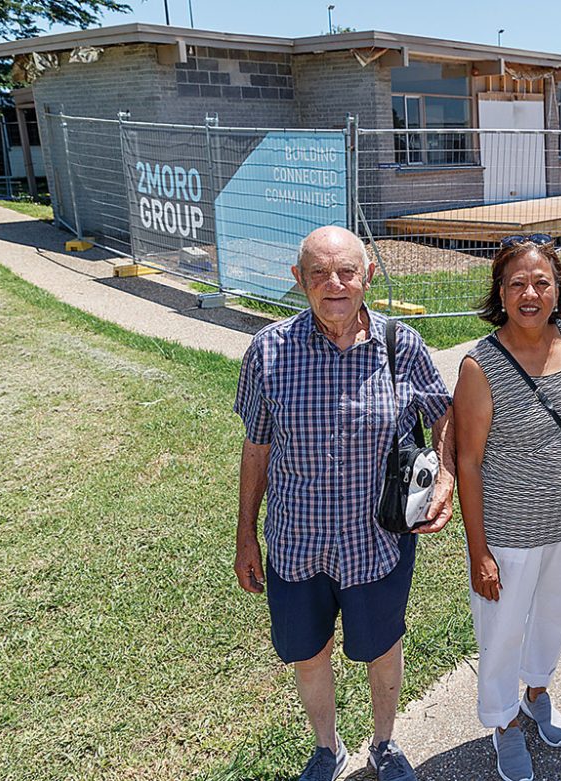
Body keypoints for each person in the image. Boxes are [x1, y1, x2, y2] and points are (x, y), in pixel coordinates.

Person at [232, 226, 456, 781]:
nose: (334, 283)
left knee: (382, 647)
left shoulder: (401, 346)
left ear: (368, 276)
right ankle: (327, 748)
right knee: (308, 654)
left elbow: (443, 413)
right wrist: (245, 534)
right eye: (318, 273)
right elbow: (256, 446)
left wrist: (446, 471)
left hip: (376, 544)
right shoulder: (269, 349)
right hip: (295, 543)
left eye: (346, 271)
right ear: (298, 281)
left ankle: (384, 743)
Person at [454, 237, 561, 781]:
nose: (530, 293)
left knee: (553, 616)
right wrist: (480, 552)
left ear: (557, 290)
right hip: (509, 533)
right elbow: (468, 463)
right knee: (501, 632)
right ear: (500, 291)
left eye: (541, 282)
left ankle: (537, 691)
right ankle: (503, 723)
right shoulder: (480, 365)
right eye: (517, 283)